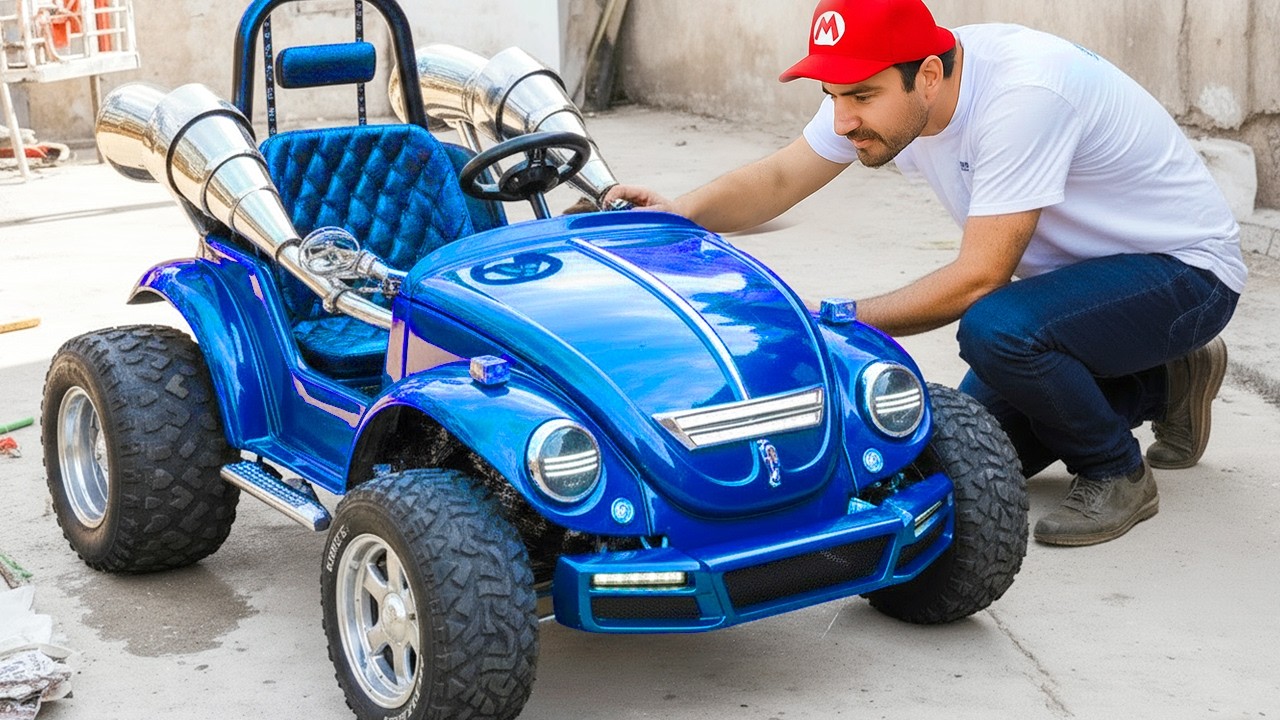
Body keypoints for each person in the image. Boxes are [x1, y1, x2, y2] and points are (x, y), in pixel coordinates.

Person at [604, 0, 1246, 546]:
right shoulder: (887, 93)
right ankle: (1166, 377)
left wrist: (826, 323)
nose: (844, 118)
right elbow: (778, 178)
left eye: (860, 96)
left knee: (998, 329)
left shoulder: (1023, 98)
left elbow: (977, 280)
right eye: (832, 96)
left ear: (929, 74)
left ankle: (1117, 473)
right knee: (964, 457)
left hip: (1184, 275)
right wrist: (678, 213)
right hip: (1079, 290)